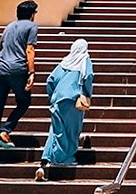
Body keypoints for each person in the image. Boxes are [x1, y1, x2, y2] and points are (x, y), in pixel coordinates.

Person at [0, 0, 38, 167]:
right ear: (31, 14)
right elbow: (30, 49)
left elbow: (0, 48)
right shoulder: (31, 27)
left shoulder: (8, 27)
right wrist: (32, 72)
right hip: (17, 70)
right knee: (24, 101)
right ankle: (5, 131)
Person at [36, 38, 95, 181]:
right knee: (71, 130)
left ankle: (45, 160)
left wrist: (53, 95)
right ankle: (65, 158)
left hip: (57, 100)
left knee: (56, 129)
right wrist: (87, 94)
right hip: (73, 100)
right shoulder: (85, 60)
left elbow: (50, 80)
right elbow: (88, 76)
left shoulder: (65, 61)